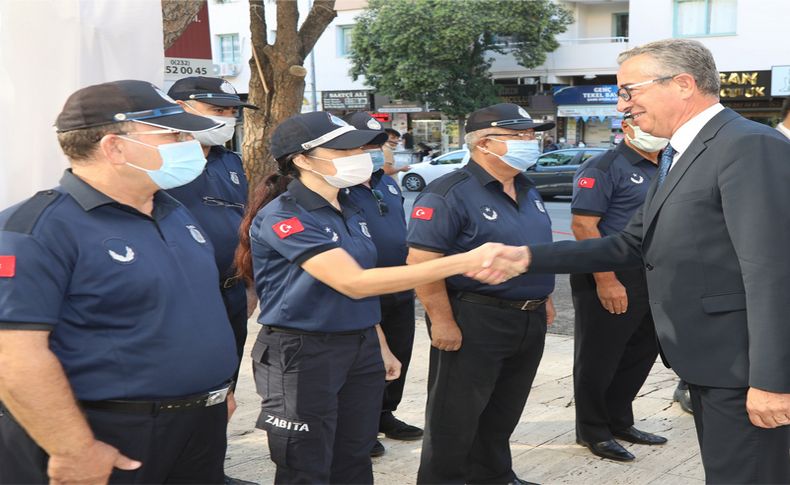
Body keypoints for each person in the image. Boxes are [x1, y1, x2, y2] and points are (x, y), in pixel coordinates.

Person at [495, 39, 790, 484]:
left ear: (684, 84)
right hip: (707, 364)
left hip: (741, 369)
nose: (622, 105)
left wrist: (773, 380)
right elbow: (628, 244)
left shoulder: (746, 145)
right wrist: (523, 257)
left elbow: (772, 270)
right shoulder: (680, 153)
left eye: (630, 91)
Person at [233, 111, 525, 484]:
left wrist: (378, 342)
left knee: (354, 457)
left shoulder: (352, 206)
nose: (358, 154)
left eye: (359, 146)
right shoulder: (286, 216)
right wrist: (462, 261)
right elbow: (354, 282)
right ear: (303, 159)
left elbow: (362, 292)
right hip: (302, 354)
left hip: (357, 346)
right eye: (342, 148)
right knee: (305, 464)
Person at [0, 80, 238, 484]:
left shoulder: (173, 211)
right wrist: (73, 449)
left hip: (200, 426)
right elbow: (14, 357)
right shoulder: (34, 229)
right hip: (110, 434)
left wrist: (215, 392)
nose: (189, 144)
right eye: (174, 134)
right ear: (114, 147)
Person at [408, 103, 557, 484]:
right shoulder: (449, 193)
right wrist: (441, 321)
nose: (531, 142)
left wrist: (545, 296)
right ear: (484, 143)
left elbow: (533, 249)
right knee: (454, 416)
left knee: (504, 409)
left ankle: (494, 475)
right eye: (519, 136)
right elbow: (421, 262)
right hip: (475, 317)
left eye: (531, 135)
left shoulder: (526, 186)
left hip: (529, 316)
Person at [165, 76, 260, 485]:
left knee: (224, 393)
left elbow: (242, 225)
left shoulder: (229, 161)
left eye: (231, 112)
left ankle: (210, 469)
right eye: (218, 111)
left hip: (230, 293)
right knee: (185, 393)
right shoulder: (165, 162)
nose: (229, 119)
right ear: (183, 109)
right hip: (185, 298)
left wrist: (249, 282)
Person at [570, 118, 668, 461]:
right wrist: (606, 280)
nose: (655, 131)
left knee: (641, 351)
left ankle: (619, 420)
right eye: (645, 124)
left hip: (653, 274)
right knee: (600, 355)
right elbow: (583, 225)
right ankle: (593, 430)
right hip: (610, 272)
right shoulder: (604, 166)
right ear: (626, 127)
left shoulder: (669, 161)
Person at [343, 113, 423, 458]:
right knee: (364, 361)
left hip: (399, 285)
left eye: (378, 145)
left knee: (398, 353)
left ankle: (384, 414)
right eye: (365, 145)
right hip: (360, 288)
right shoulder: (339, 187)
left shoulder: (386, 182)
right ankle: (358, 425)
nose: (374, 152)